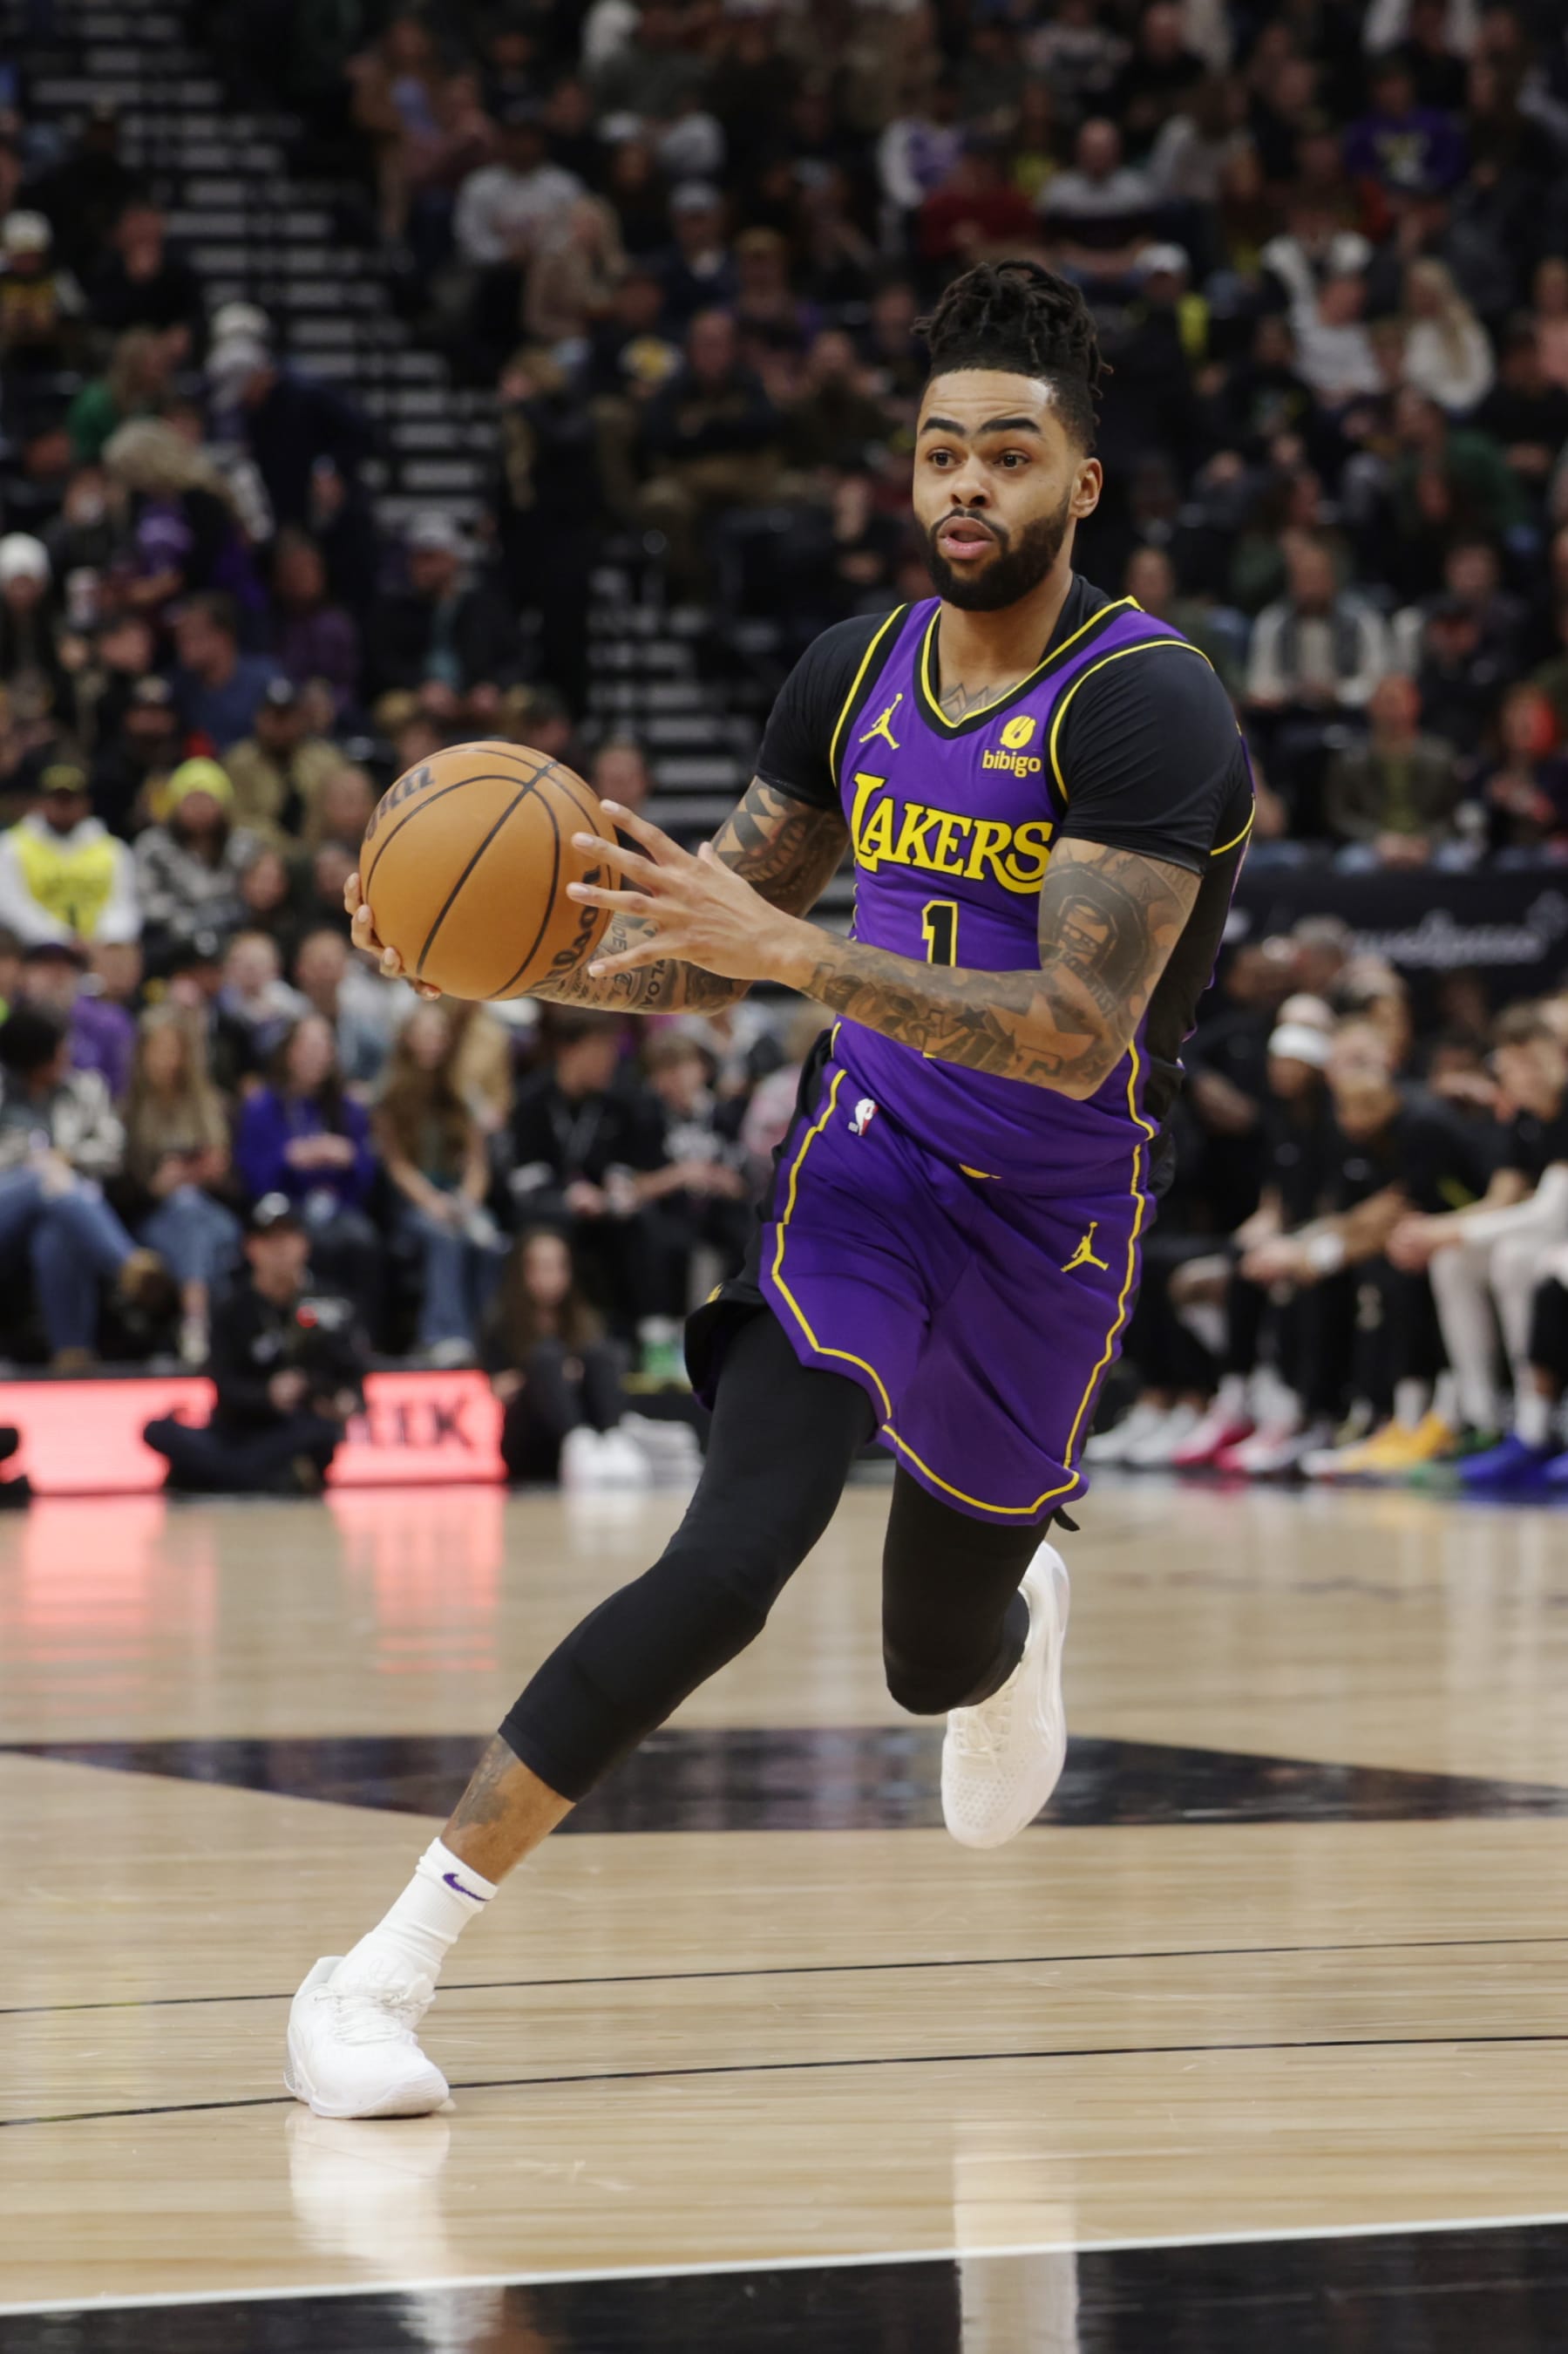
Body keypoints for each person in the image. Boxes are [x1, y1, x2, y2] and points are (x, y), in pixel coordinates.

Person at [294, 257, 1256, 2119]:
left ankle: (1014, 1614)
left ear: (1079, 489)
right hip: (864, 1169)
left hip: (1053, 1215)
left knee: (926, 1664)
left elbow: (1069, 1028)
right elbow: (689, 943)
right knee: (732, 1555)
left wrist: (787, 954)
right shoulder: (852, 674)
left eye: (1005, 455)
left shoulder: (1144, 708)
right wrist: (487, 960)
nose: (963, 486)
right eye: (934, 455)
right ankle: (379, 1970)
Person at [143, 1194, 365, 1494]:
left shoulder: (332, 1305)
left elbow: (353, 1375)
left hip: (296, 1429)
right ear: (251, 1248)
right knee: (159, 1430)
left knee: (320, 1434)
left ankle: (215, 1476)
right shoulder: (231, 1309)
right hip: (240, 1431)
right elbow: (223, 1384)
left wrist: (334, 1396)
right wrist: (268, 1396)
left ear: (305, 1244)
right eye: (269, 1240)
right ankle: (267, 1477)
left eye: (288, 1238)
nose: (280, 1250)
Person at [0, 1004, 173, 1368]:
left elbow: (112, 1151)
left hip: (66, 1206)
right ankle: (127, 1263)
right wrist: (29, 1164)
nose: (68, 1054)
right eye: (60, 1047)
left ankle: (72, 1354)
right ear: (35, 1057)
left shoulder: (86, 1088)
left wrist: (69, 1158)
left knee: (56, 1233)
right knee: (41, 1177)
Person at [374, 1004, 503, 1365]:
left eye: (439, 1034)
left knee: (490, 1242)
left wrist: (468, 1201)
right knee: (443, 1237)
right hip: (412, 1203)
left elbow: (478, 1163)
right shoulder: (390, 1096)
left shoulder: (462, 1096)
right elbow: (397, 1165)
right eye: (425, 1033)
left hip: (456, 1196)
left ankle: (486, 1337)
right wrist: (433, 1203)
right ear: (408, 1039)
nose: (433, 1042)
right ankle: (444, 1336)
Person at [234, 1014, 379, 1316]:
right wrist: (289, 1158)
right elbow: (250, 1171)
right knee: (301, 1242)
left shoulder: (348, 1107)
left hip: (338, 1205)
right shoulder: (263, 1106)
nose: (315, 1057)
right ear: (289, 1053)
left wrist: (349, 1157)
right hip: (286, 1205)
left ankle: (360, 1332)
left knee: (361, 1240)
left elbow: (368, 1171)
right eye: (307, 1048)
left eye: (323, 1049)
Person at [120, 1008, 241, 1364]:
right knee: (193, 1224)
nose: (166, 1060)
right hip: (155, 1218)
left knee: (198, 1217)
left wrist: (213, 1174)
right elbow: (118, 1191)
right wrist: (156, 1187)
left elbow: (239, 1189)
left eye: (173, 1050)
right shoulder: (127, 1111)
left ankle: (194, 1326)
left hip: (212, 1212)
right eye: (158, 1050)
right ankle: (203, 1326)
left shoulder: (212, 1104)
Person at [483, 1226, 640, 1485]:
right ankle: (576, 1443)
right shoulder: (501, 1323)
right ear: (522, 1271)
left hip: (588, 1422)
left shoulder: (583, 1318)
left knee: (602, 1354)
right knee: (547, 1358)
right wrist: (547, 1378)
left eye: (559, 1266)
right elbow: (496, 1388)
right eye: (542, 1267)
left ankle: (613, 1440)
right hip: (531, 1439)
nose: (552, 1276)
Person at [0, 750, 140, 948]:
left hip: (99, 950)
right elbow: (12, 909)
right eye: (56, 798)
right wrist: (63, 940)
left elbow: (124, 907)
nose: (63, 806)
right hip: (35, 950)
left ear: (86, 803)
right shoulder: (11, 846)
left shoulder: (114, 849)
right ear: (40, 801)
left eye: (70, 799)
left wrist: (100, 941)